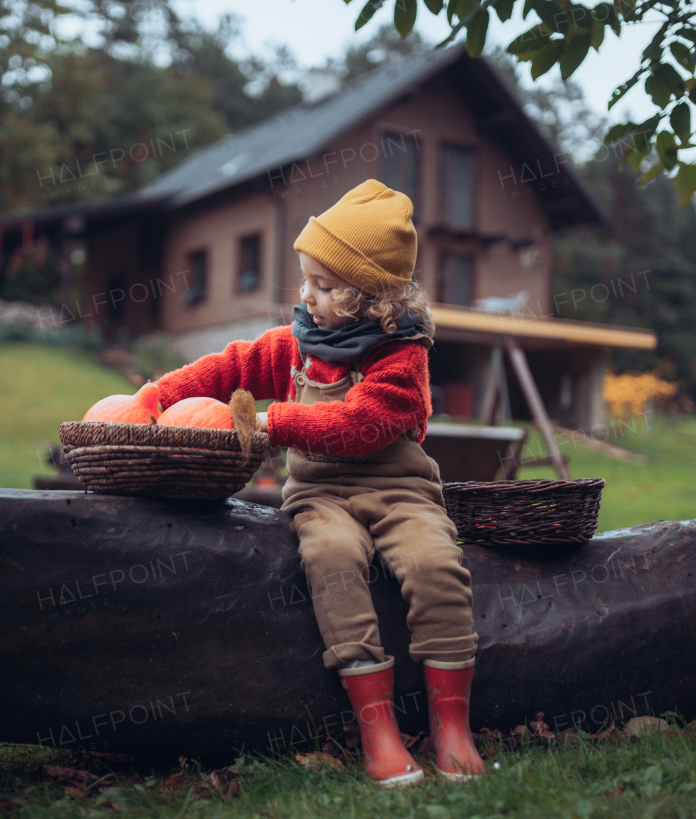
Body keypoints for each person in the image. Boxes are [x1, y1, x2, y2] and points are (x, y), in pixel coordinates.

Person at [155, 179, 484, 786]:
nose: (308, 294)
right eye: (307, 279)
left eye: (324, 285)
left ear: (368, 296)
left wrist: (273, 420)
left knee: (436, 562)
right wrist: (159, 395)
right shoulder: (298, 343)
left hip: (400, 489)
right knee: (330, 557)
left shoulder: (402, 356)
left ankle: (452, 726)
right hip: (320, 494)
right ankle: (377, 728)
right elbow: (231, 365)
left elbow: (361, 424)